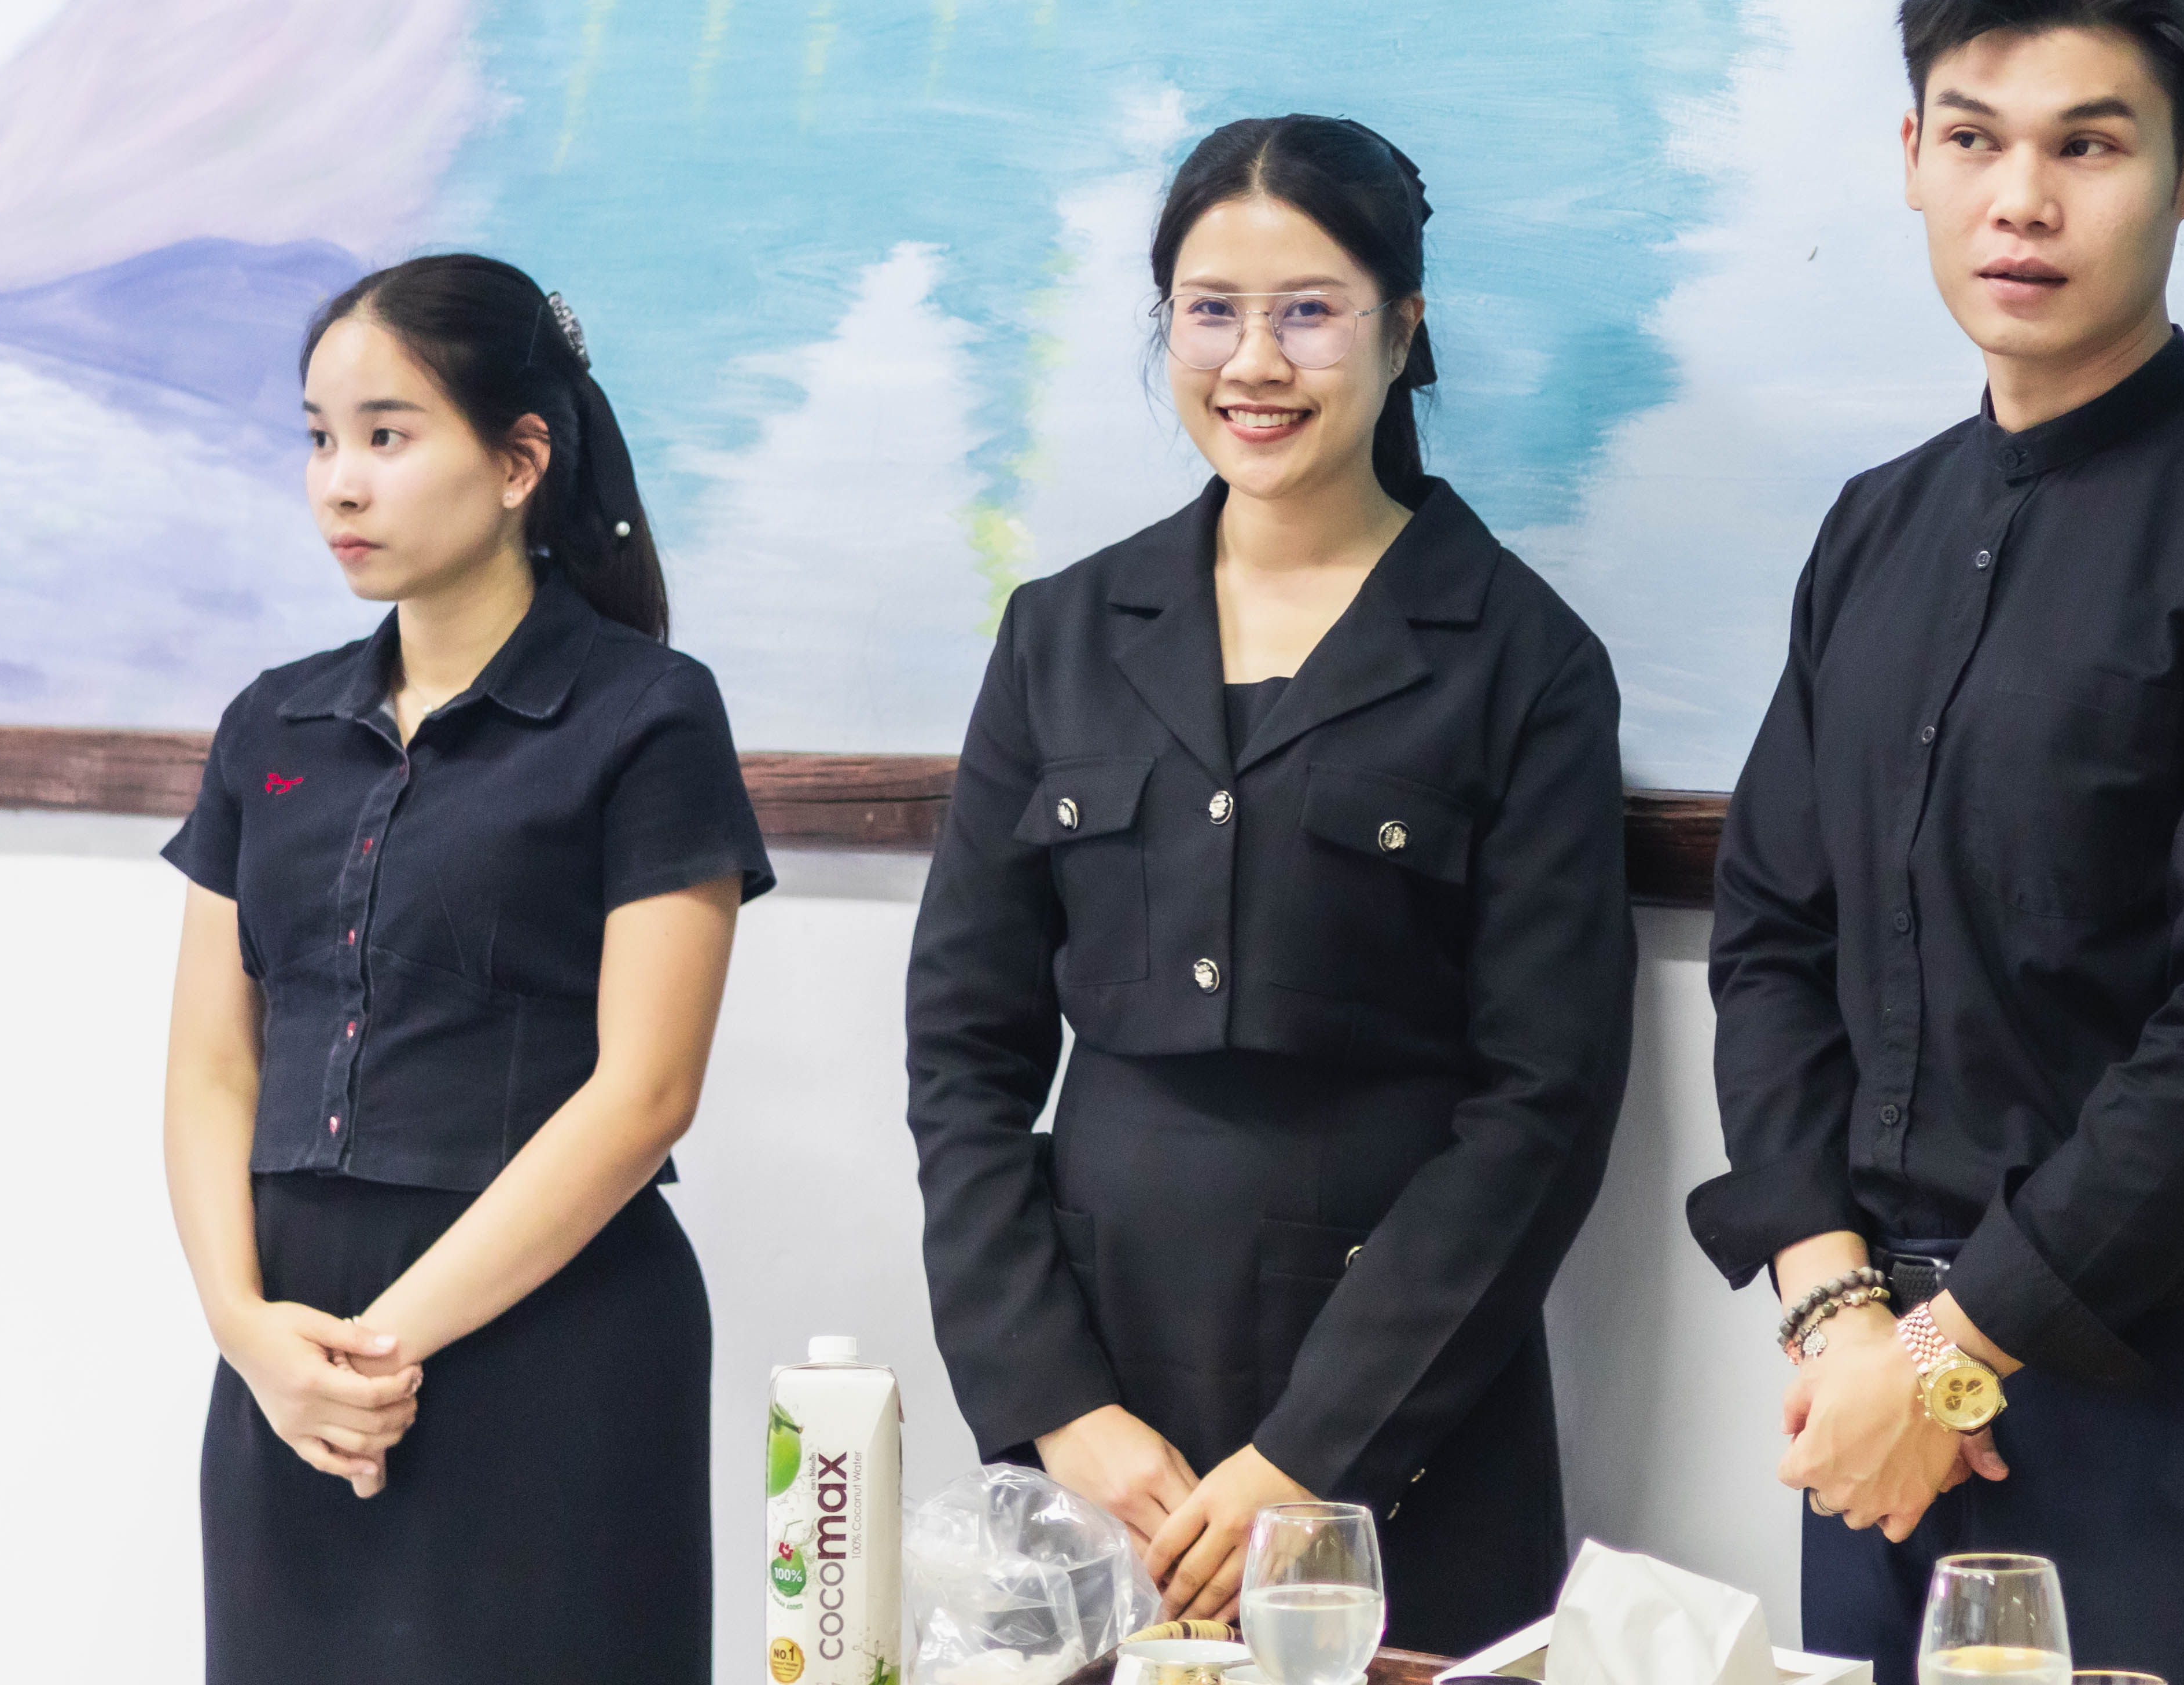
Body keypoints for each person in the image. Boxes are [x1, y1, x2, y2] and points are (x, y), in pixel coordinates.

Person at [1690, 0, 2184, 1685]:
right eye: (1973, 138)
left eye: (2087, 145)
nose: (2020, 199)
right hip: (1871, 1403)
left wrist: (1953, 1354)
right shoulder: (1872, 527)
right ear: (1912, 159)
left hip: (2177, 1397)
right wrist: (1839, 1309)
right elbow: (1772, 937)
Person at [907, 115, 1634, 1655]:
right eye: (1210, 311)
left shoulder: (1523, 660)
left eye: (1309, 311)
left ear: (1402, 329)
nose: (1254, 362)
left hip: (1403, 1430)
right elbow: (963, 1058)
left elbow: (1544, 1103)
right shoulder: (1060, 634)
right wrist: (1058, 1406)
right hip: (1105, 1443)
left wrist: (1312, 1462)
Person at [161, 255, 773, 1684]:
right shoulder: (272, 721)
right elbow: (211, 1063)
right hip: (287, 1356)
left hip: (545, 1340)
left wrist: (376, 1354)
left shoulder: (647, 712)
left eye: (387, 433)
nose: (340, 482)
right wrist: (246, 1330)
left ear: (518, 460)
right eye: (320, 436)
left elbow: (646, 1091)